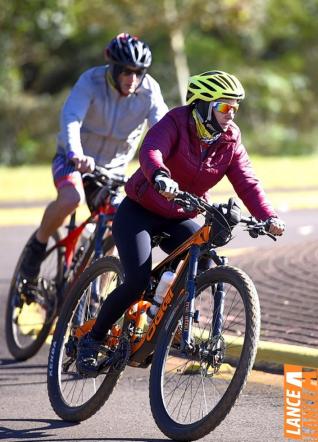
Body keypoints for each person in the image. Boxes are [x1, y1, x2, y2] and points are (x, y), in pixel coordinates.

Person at [76, 70, 285, 376]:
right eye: (225, 107)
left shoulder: (229, 140)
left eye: (235, 109)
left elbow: (248, 183)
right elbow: (151, 150)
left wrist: (268, 216)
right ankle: (91, 341)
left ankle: (158, 311)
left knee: (203, 261)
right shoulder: (176, 122)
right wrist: (159, 175)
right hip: (139, 211)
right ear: (203, 104)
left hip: (180, 216)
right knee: (135, 281)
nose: (231, 115)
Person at [20, 32, 168, 285]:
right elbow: (72, 118)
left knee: (116, 222)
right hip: (74, 159)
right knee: (71, 198)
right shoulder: (91, 81)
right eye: (125, 71)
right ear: (113, 67)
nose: (132, 79)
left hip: (113, 172)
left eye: (138, 72)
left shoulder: (149, 91)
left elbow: (163, 130)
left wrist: (168, 165)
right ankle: (37, 245)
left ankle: (97, 294)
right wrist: (75, 153)